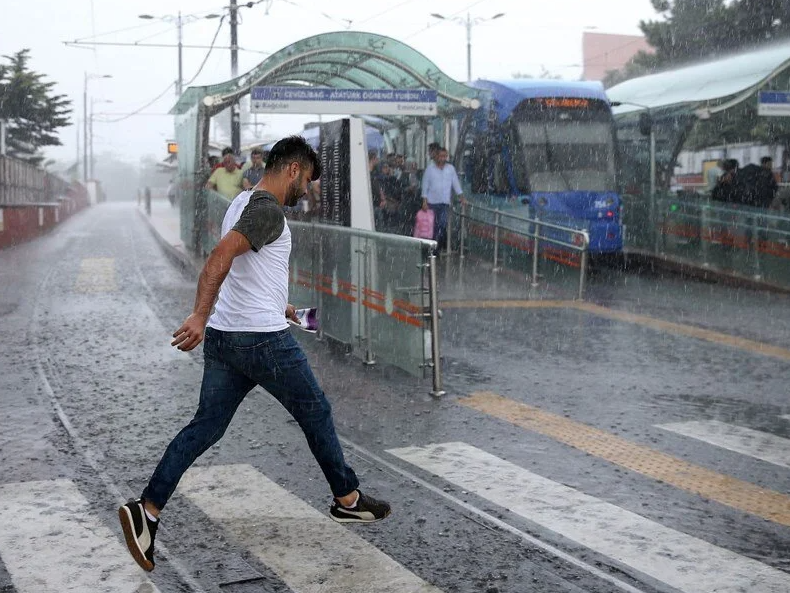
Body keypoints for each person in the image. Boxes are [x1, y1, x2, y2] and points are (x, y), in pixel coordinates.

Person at [118, 136, 391, 573]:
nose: (308, 190)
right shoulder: (267, 210)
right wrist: (197, 316)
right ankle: (348, 499)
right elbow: (220, 258)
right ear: (293, 170)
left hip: (230, 338)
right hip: (260, 340)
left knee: (205, 428)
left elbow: (246, 270)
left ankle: (146, 511)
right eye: (308, 180)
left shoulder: (242, 202)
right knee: (316, 411)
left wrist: (277, 306)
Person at [421, 147, 465, 251]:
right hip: (432, 203)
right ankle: (432, 248)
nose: (443, 158)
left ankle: (436, 246)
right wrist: (424, 201)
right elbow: (425, 186)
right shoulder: (430, 169)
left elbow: (456, 184)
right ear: (436, 156)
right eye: (441, 156)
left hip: (444, 202)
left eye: (445, 156)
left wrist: (461, 197)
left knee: (442, 225)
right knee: (433, 226)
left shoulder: (450, 169)